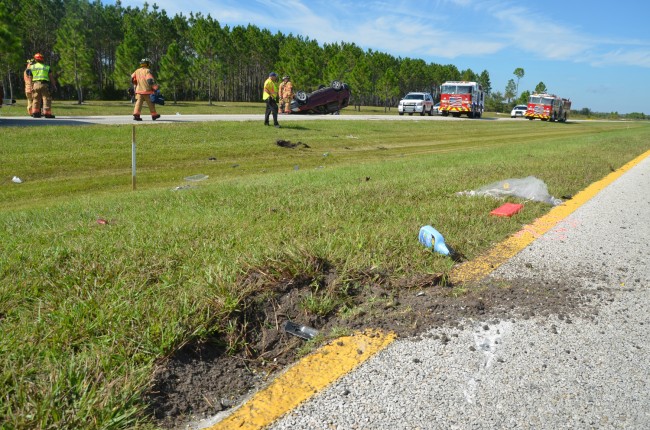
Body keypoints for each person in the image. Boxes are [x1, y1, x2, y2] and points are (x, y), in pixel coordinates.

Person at [27, 53, 56, 118]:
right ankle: (47, 113)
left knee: (36, 99)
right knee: (46, 98)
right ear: (42, 59)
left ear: (35, 59)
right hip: (44, 84)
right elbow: (51, 77)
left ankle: (35, 113)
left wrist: (31, 86)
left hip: (35, 84)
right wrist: (54, 85)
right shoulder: (46, 67)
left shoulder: (32, 67)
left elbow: (30, 78)